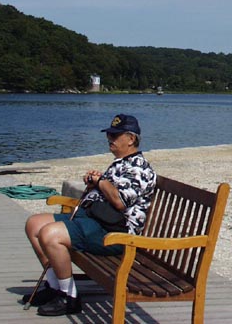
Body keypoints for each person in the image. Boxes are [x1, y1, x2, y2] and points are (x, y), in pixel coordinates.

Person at [23, 113, 157, 316]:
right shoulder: (121, 163)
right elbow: (107, 192)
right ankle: (54, 286)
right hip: (94, 220)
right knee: (34, 224)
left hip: (115, 233)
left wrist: (101, 181)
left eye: (115, 135)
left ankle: (69, 297)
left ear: (131, 139)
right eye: (109, 134)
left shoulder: (139, 169)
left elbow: (120, 201)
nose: (109, 139)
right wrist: (95, 182)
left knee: (50, 235)